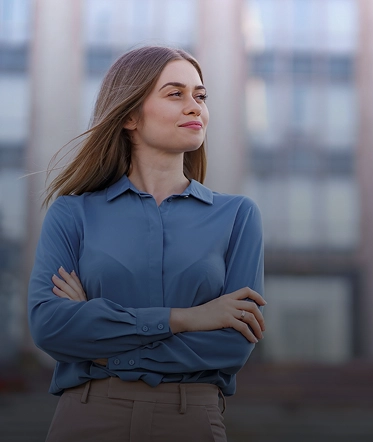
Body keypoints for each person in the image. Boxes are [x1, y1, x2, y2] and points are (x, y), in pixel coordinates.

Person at [28, 45, 265, 442]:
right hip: (87, 418)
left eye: (200, 96)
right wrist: (188, 318)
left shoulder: (238, 216)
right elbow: (50, 327)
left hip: (191, 421)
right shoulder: (73, 214)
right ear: (130, 116)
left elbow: (230, 345)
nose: (195, 107)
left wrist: (102, 345)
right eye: (176, 94)